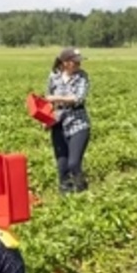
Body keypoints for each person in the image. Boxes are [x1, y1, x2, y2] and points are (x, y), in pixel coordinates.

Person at [42, 47, 90, 194]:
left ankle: (81, 190)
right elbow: (47, 100)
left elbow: (78, 98)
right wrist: (45, 119)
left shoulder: (82, 77)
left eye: (78, 62)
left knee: (73, 163)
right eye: (74, 62)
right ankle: (65, 196)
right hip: (58, 124)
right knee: (62, 165)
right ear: (65, 63)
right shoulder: (53, 76)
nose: (78, 65)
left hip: (78, 123)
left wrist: (56, 98)